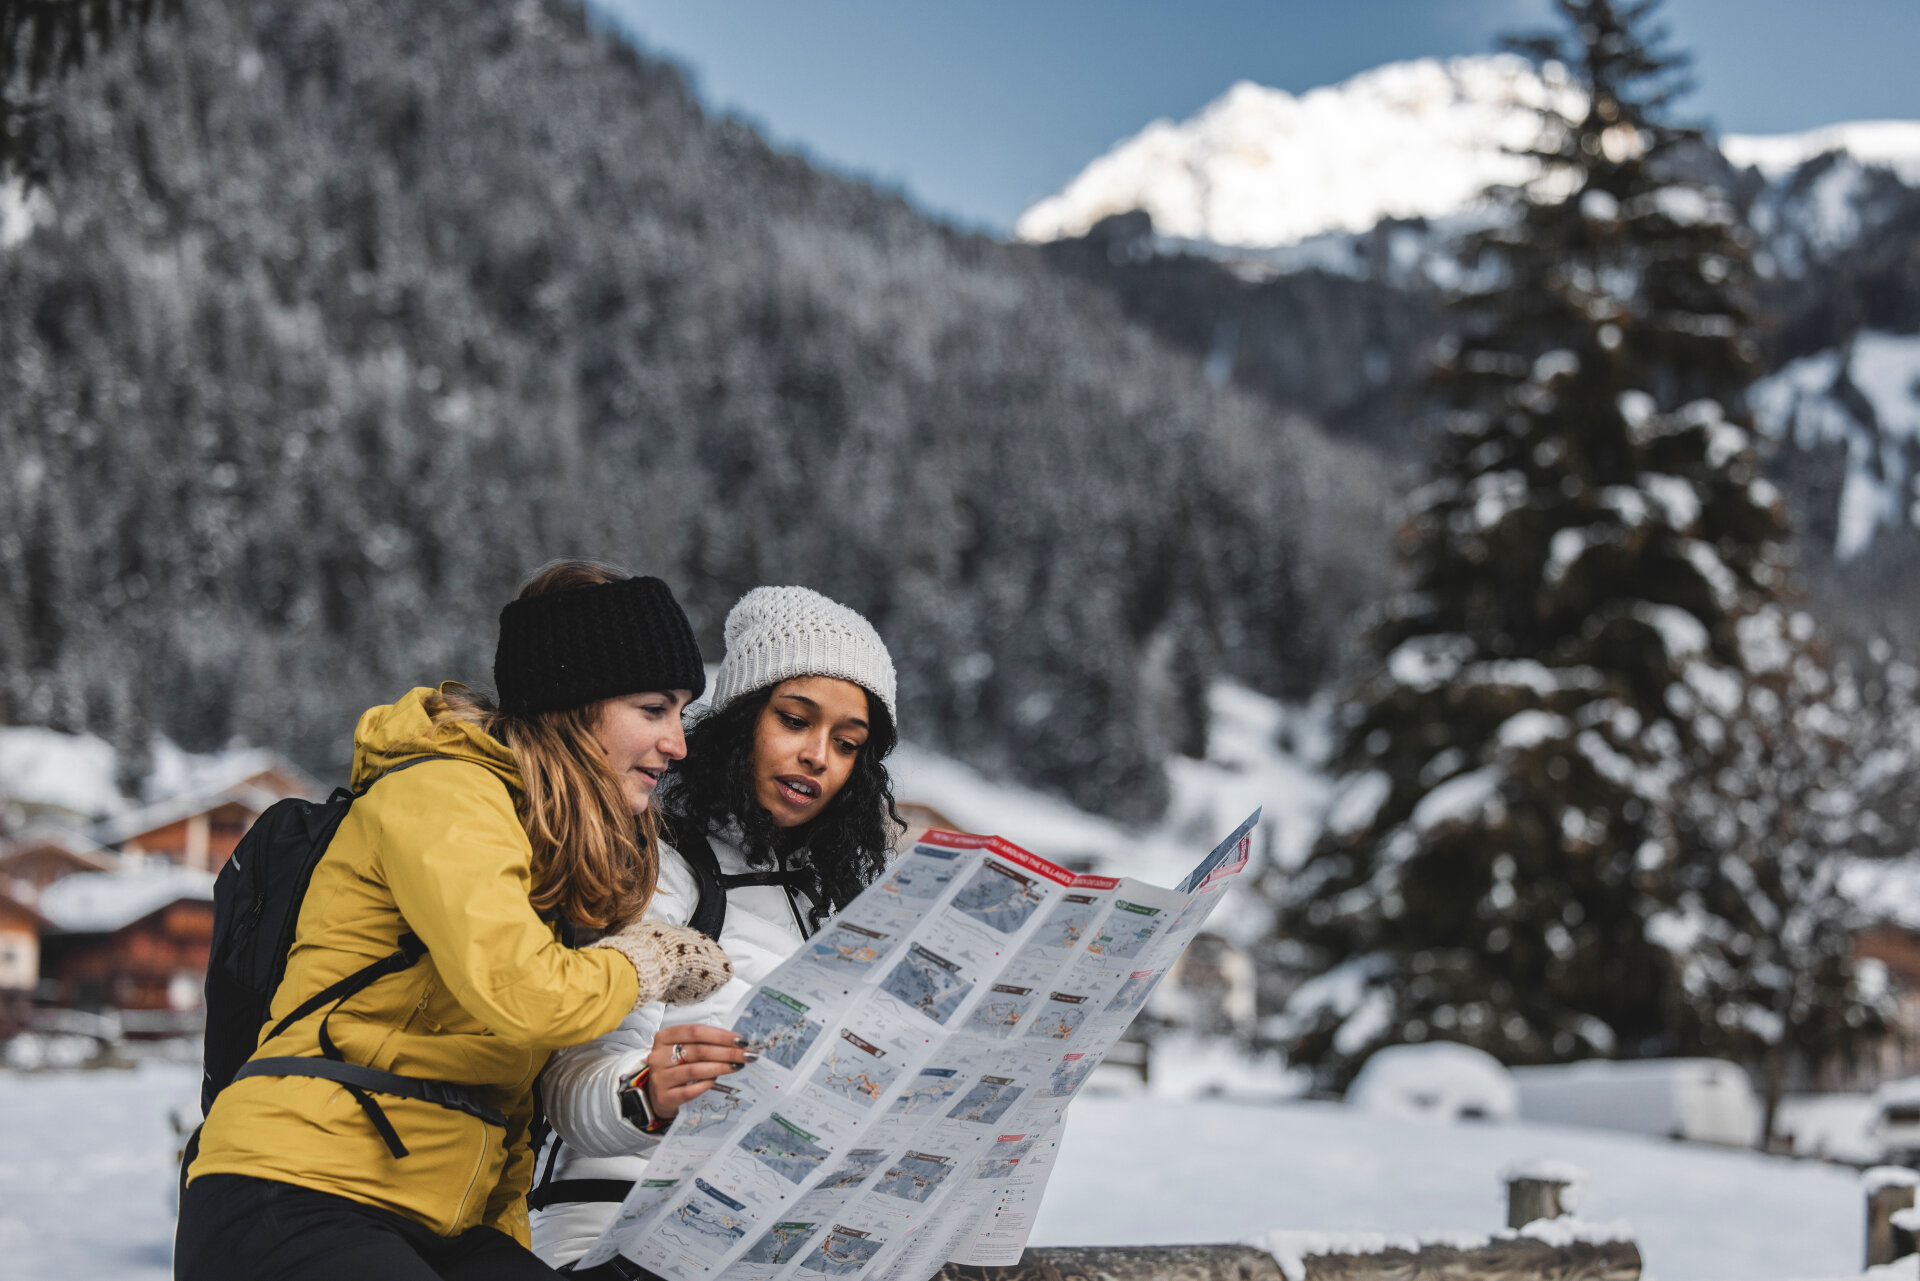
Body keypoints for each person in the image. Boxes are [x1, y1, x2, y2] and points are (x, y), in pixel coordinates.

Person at [176, 562, 735, 1281]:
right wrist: (644, 960)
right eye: (655, 709)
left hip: (442, 1220)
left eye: (682, 714)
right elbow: (525, 993)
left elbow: (503, 1108)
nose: (677, 742)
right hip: (295, 1188)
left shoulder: (551, 850)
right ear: (576, 700)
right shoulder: (446, 791)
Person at [530, 585, 903, 1276]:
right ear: (738, 721)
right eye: (795, 720)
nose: (819, 755)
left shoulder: (844, 903)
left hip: (778, 1242)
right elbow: (563, 1084)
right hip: (616, 1224)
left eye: (847, 743)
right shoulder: (652, 864)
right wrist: (643, 1091)